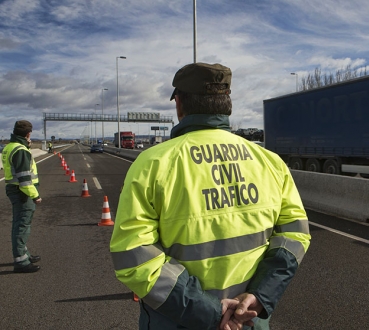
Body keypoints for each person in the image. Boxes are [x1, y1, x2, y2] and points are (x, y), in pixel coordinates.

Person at [110, 63, 311, 330]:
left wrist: (211, 312)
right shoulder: (270, 162)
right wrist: (258, 297)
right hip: (247, 320)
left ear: (179, 104)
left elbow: (134, 256)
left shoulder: (152, 164)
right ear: (227, 104)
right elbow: (295, 236)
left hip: (180, 322)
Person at [2, 120, 42, 273]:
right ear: (28, 134)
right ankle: (21, 261)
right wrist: (36, 196)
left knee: (19, 223)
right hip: (22, 192)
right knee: (22, 225)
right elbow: (25, 180)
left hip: (14, 189)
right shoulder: (21, 151)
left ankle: (24, 254)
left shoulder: (10, 147)